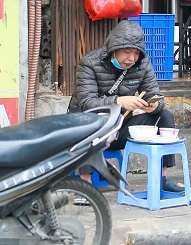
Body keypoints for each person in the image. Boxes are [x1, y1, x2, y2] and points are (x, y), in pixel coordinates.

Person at [68, 20, 184, 193]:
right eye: (127, 52)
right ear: (114, 48)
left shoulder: (142, 64)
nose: (132, 58)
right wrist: (119, 102)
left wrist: (154, 105)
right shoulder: (90, 63)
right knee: (85, 121)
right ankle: (86, 186)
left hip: (120, 125)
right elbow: (86, 102)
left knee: (164, 117)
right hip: (90, 126)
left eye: (136, 53)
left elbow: (154, 94)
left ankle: (162, 179)